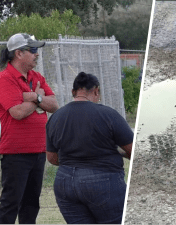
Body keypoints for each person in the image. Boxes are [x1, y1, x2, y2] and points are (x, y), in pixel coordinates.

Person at [46, 72, 133, 224]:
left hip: (65, 182)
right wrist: (119, 153)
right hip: (104, 180)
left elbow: (52, 158)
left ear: (73, 92)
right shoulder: (108, 114)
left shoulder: (56, 117)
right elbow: (133, 150)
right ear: (96, 91)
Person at [0, 33, 59, 224]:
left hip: (38, 151)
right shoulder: (5, 78)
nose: (37, 54)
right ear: (18, 53)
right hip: (16, 153)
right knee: (10, 204)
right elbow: (17, 112)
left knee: (31, 205)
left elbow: (54, 105)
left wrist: (34, 97)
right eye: (32, 50)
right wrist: (38, 97)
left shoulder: (36, 77)